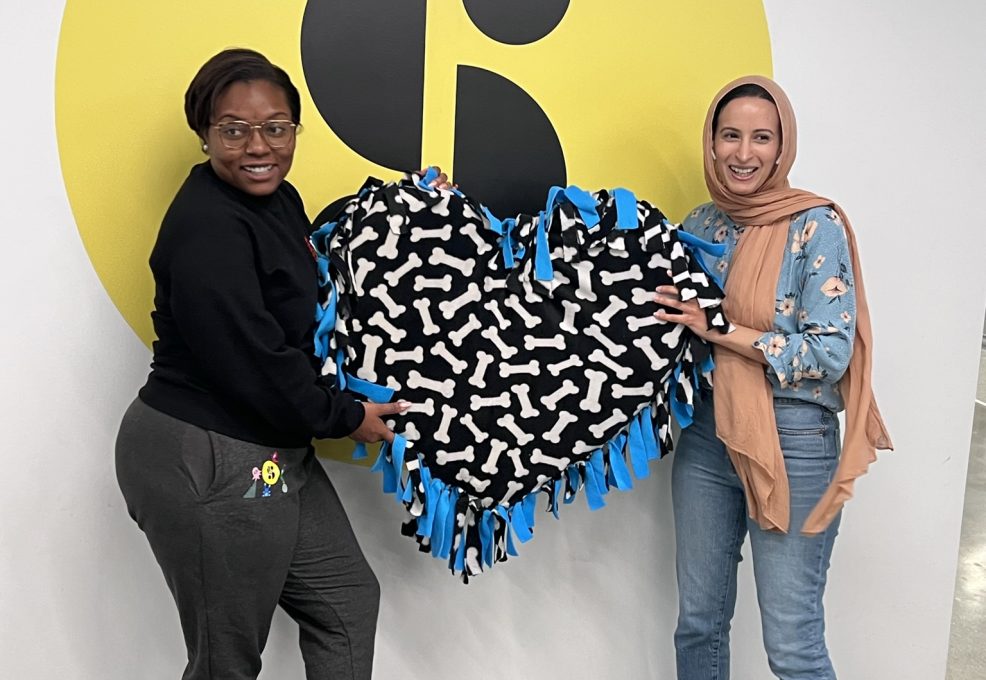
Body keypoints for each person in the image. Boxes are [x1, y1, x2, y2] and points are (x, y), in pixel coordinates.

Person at [114, 48, 446, 680]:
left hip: (269, 454)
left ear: (295, 128)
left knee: (346, 603)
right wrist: (346, 415)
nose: (257, 145)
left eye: (276, 127)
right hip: (213, 452)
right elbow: (255, 361)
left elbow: (311, 268)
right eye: (233, 130)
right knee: (226, 661)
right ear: (205, 135)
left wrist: (416, 207)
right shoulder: (205, 228)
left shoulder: (275, 200)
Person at [652, 75, 892, 679]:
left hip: (795, 442)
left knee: (793, 643)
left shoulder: (816, 225)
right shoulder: (701, 224)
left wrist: (722, 328)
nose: (743, 152)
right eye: (729, 135)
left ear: (782, 145)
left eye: (761, 137)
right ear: (711, 142)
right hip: (709, 436)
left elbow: (830, 352)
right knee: (699, 624)